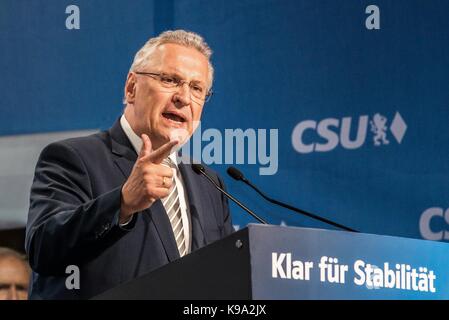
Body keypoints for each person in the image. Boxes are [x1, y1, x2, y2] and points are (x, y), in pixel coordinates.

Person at [25, 30, 234, 299]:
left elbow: (226, 278)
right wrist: (122, 203)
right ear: (131, 87)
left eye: (197, 88)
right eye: (170, 80)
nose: (184, 97)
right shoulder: (73, 158)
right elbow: (43, 248)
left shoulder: (210, 185)